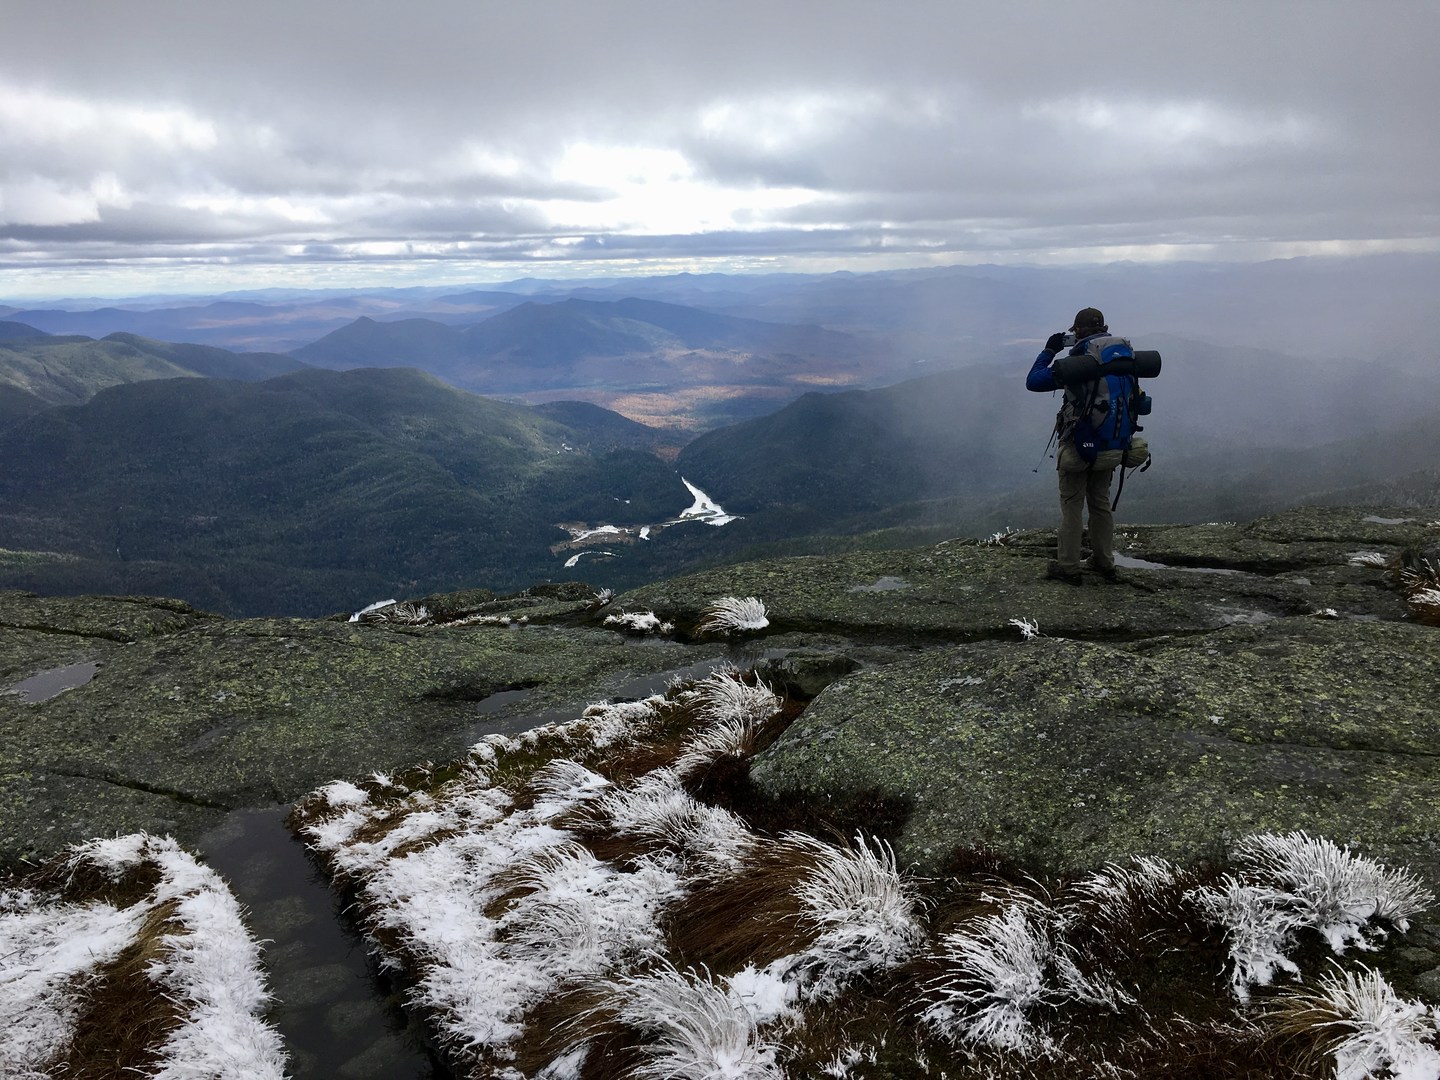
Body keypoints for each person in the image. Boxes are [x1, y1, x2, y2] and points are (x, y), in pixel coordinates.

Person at [1026, 307, 1119, 585]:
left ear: (1077, 331)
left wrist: (1049, 351)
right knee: (1100, 504)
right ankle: (1104, 562)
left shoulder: (1079, 361)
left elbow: (1033, 381)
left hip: (1078, 448)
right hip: (1112, 444)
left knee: (1072, 506)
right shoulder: (1121, 358)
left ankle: (1069, 567)